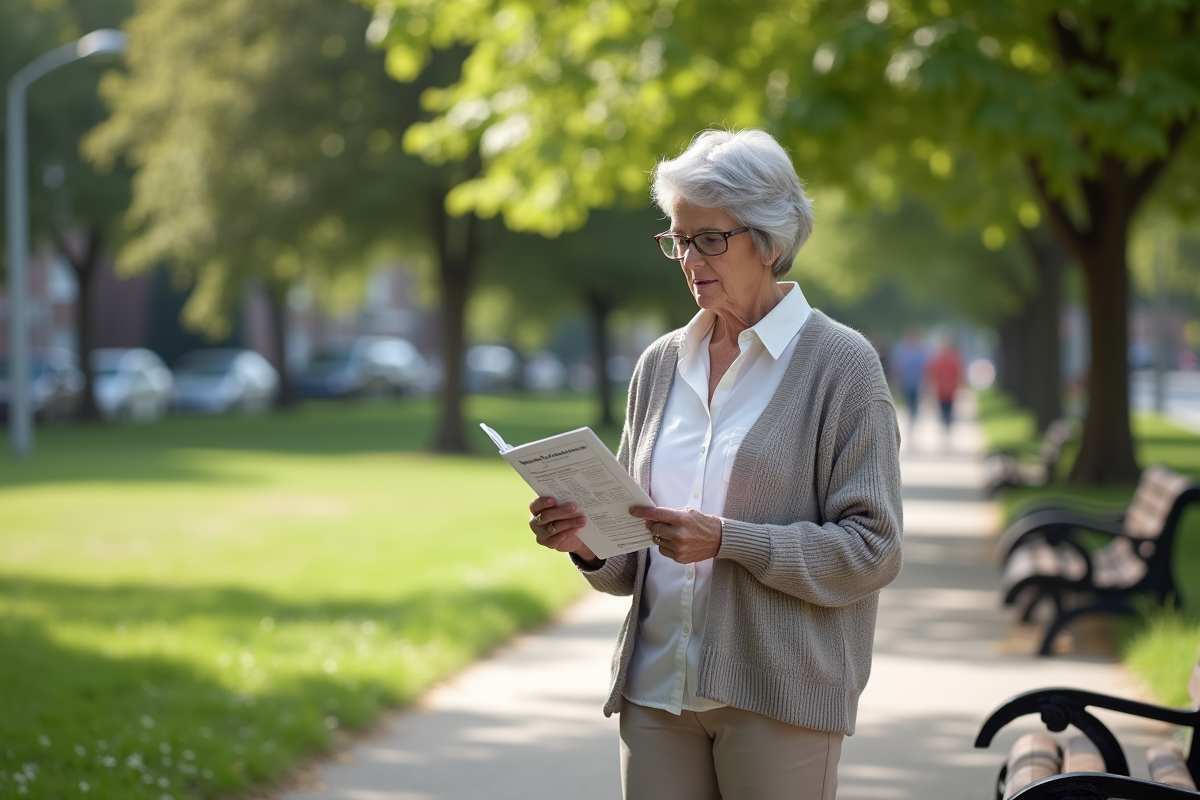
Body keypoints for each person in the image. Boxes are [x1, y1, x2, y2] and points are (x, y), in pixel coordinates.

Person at [527, 129, 903, 800]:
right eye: (678, 239)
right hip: (656, 692)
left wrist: (729, 541)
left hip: (780, 695)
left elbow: (872, 550)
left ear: (769, 240)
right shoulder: (660, 364)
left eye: (709, 239)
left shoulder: (842, 366)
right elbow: (630, 562)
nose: (689, 259)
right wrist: (584, 540)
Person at [890, 327, 927, 430]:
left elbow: (924, 367)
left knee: (914, 404)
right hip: (905, 382)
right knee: (907, 402)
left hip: (916, 383)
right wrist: (895, 381)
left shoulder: (920, 349)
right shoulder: (901, 349)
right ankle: (910, 420)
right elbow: (897, 367)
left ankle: (912, 422)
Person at [926, 336, 964, 435]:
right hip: (949, 388)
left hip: (943, 389)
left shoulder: (939, 358)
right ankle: (947, 424)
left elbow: (933, 374)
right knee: (948, 408)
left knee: (943, 408)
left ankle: (945, 424)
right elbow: (958, 373)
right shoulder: (954, 358)